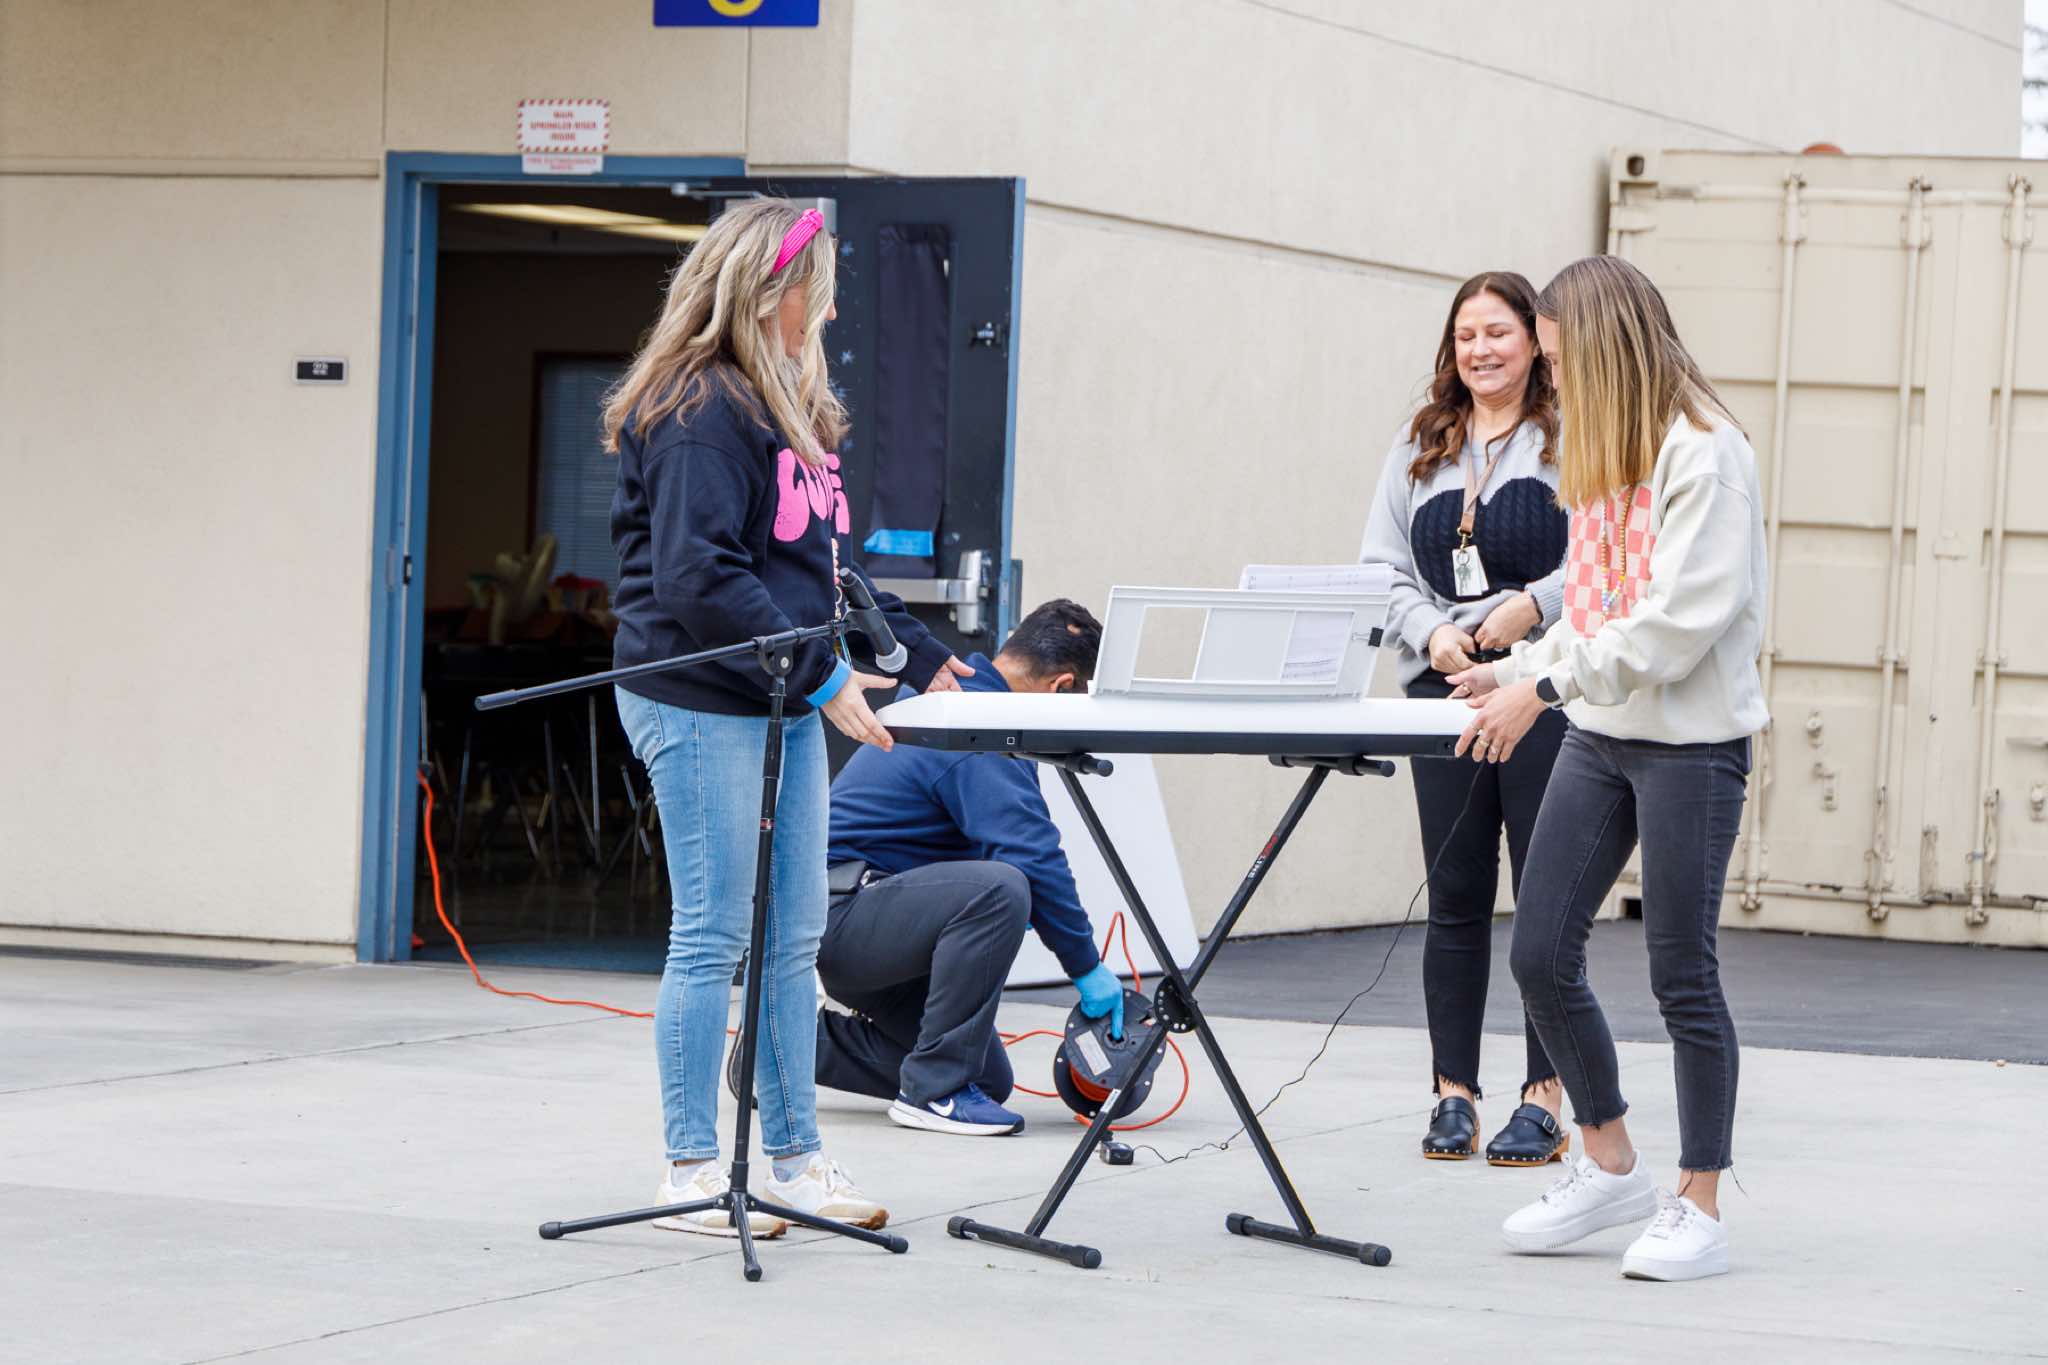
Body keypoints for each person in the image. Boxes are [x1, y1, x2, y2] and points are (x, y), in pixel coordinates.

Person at [604, 198, 973, 1239]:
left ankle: (797, 1162)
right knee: (714, 934)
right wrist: (822, 676)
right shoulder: (698, 409)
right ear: (773, 292)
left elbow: (821, 567)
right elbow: (697, 575)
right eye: (823, 289)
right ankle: (689, 1171)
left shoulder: (786, 410)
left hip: (775, 696)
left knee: (792, 936)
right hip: (697, 697)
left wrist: (921, 654)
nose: (834, 309)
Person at [1450, 254, 1766, 1282]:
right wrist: (1511, 670)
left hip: (1691, 745)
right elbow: (1592, 608)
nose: (1550, 378)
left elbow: (1674, 627)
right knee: (1539, 954)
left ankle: (1698, 1202)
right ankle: (1611, 1162)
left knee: (1681, 974)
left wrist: (1537, 689)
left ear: (1607, 349)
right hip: (1600, 730)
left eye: (1558, 359)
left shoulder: (1705, 454)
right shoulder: (1599, 451)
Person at [1358, 272, 1573, 1166]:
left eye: (1498, 332)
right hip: (1441, 693)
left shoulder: (1571, 438)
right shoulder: (1422, 443)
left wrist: (1533, 605)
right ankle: (1454, 1094)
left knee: (1545, 901)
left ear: (1533, 341)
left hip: (1540, 694)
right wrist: (1431, 631)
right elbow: (1380, 568)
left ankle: (1545, 1097)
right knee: (1454, 896)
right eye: (1465, 336)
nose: (1480, 350)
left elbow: (1608, 561)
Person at [810, 599, 1123, 1136]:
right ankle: (932, 1094)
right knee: (1001, 887)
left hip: (861, 921)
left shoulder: (957, 698)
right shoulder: (977, 728)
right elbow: (1032, 855)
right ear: (1062, 686)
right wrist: (1085, 968)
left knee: (985, 1076)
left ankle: (784, 1051)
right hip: (842, 919)